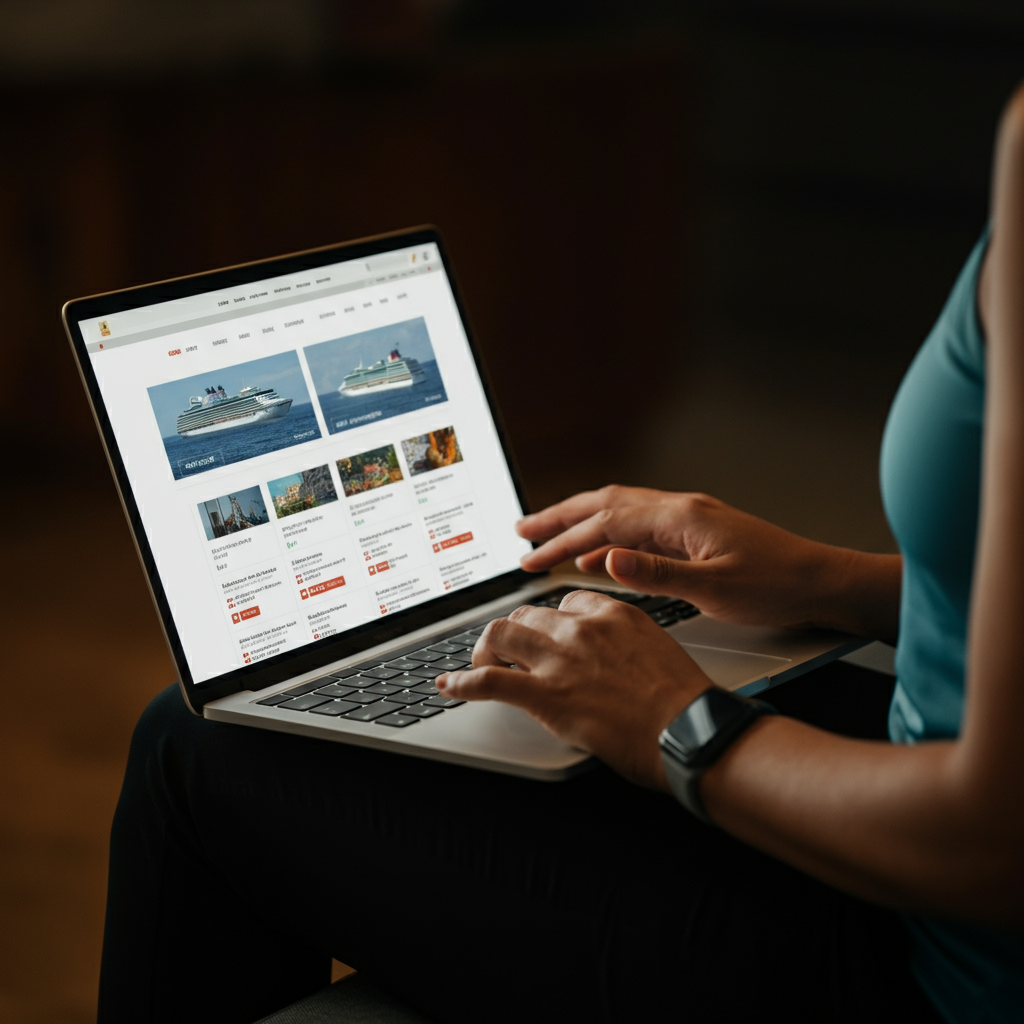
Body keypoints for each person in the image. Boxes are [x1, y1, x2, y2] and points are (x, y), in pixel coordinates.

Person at [98, 87, 1024, 1024]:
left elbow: (993, 851)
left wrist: (676, 722)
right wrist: (830, 582)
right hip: (922, 794)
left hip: (929, 967)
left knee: (193, 744)